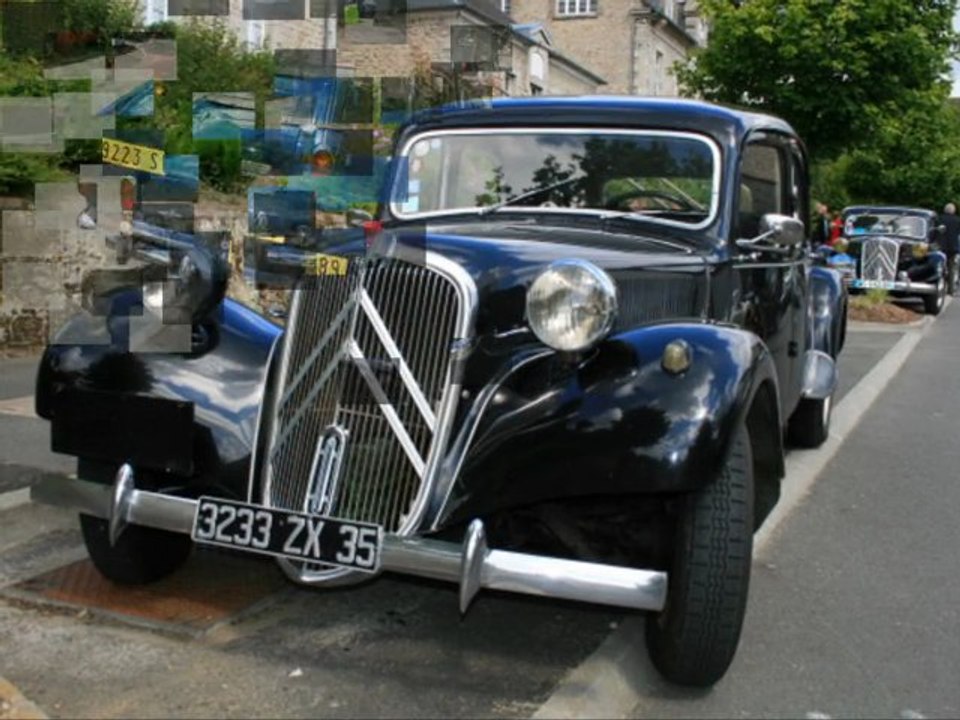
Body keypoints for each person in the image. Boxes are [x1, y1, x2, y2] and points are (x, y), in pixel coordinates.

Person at [937, 203, 960, 295]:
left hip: (941, 246)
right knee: (951, 268)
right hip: (953, 247)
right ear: (953, 211)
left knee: (939, 266)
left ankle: (939, 287)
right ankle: (950, 290)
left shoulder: (939, 219)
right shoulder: (957, 220)